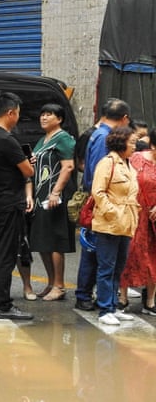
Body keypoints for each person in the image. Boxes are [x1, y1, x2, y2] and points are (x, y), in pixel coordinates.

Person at [0, 92, 35, 320]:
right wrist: (26, 162)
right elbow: (28, 172)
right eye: (18, 114)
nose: (18, 119)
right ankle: (2, 304)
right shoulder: (6, 139)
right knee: (5, 254)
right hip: (9, 203)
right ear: (10, 112)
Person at [75, 98, 131, 311]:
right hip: (102, 205)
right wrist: (108, 208)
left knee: (98, 253)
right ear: (124, 118)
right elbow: (100, 179)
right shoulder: (104, 138)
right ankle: (84, 295)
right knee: (96, 253)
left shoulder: (98, 134)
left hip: (103, 204)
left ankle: (90, 295)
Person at [91, 127, 140, 326]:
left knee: (118, 267)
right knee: (106, 267)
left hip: (127, 223)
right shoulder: (107, 163)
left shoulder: (128, 164)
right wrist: (114, 212)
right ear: (121, 143)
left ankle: (112, 306)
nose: (135, 146)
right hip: (109, 224)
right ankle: (104, 309)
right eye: (132, 142)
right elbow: (98, 192)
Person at [28, 103, 76, 302]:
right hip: (41, 196)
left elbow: (68, 167)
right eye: (42, 114)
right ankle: (50, 282)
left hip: (54, 197)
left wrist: (56, 192)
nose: (44, 117)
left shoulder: (63, 138)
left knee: (55, 240)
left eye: (49, 114)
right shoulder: (42, 140)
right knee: (42, 240)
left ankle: (59, 285)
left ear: (60, 119)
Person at [122, 126, 156, 315]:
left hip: (153, 219)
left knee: (153, 258)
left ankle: (150, 301)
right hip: (135, 216)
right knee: (128, 255)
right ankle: (122, 297)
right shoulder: (136, 158)